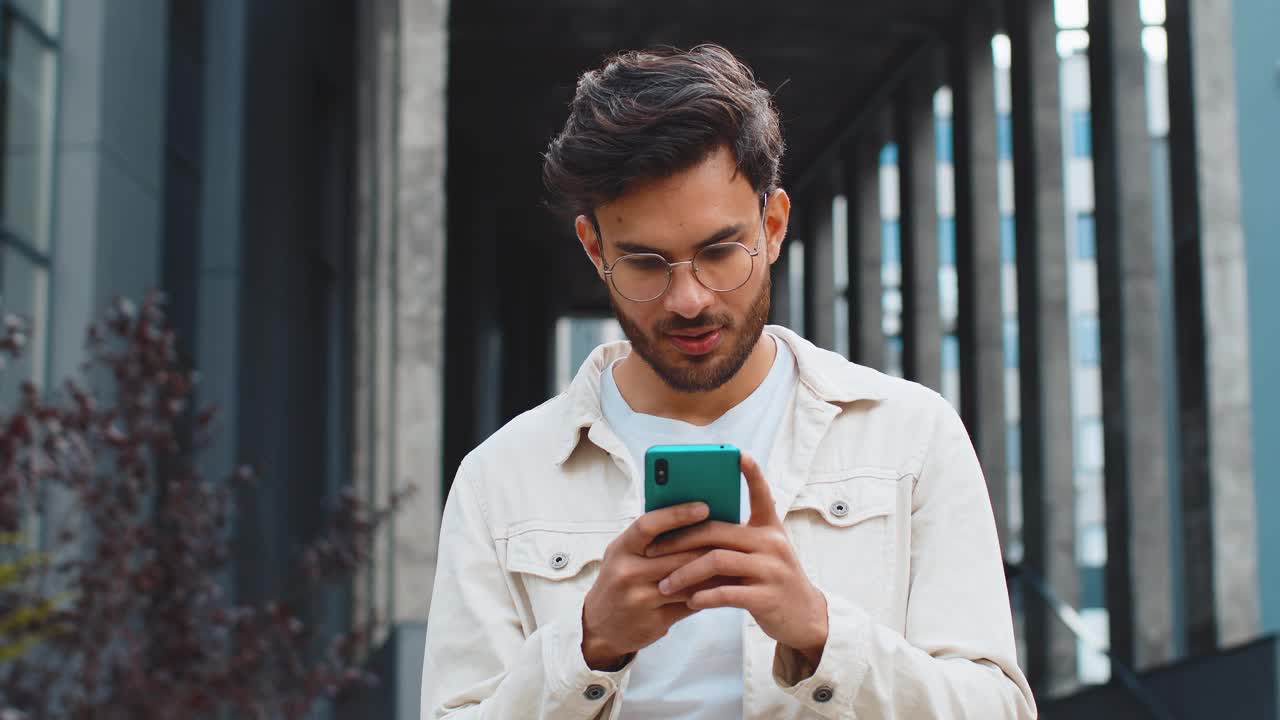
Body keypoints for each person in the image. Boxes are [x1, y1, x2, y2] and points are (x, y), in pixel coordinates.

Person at [420, 44, 1037, 720]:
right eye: (646, 262)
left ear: (772, 227)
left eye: (719, 252)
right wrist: (587, 647)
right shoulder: (500, 480)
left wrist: (823, 633)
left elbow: (997, 709)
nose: (689, 299)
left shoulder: (908, 436)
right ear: (595, 250)